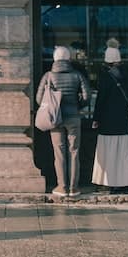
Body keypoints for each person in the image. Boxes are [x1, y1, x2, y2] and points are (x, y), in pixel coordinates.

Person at [36, 45, 90, 198]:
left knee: (59, 153)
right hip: (74, 118)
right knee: (74, 152)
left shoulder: (48, 76)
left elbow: (39, 99)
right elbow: (86, 97)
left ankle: (62, 186)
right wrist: (76, 105)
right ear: (68, 58)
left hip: (56, 118)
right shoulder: (77, 75)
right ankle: (74, 188)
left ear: (54, 58)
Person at [91, 39, 128, 193]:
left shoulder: (106, 76)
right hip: (123, 121)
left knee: (108, 153)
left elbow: (101, 99)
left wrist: (96, 118)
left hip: (107, 122)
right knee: (123, 155)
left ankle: (108, 182)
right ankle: (125, 183)